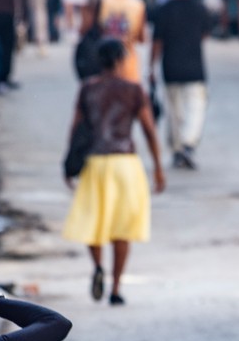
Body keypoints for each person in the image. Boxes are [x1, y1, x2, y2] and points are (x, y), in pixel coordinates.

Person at [62, 39, 167, 306]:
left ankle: (98, 266)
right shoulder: (133, 90)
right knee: (123, 228)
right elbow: (149, 130)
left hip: (95, 163)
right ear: (121, 59)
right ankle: (117, 287)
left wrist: (68, 165)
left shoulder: (88, 89)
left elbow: (75, 129)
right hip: (125, 164)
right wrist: (158, 167)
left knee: (92, 223)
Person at [149, 0, 211, 170]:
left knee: (174, 113)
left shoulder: (163, 11)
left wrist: (151, 68)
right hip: (194, 68)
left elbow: (156, 43)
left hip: (171, 68)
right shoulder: (199, 9)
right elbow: (205, 35)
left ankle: (178, 148)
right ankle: (187, 144)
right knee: (195, 109)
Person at [96, 0, 148, 84]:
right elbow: (142, 38)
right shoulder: (137, 4)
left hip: (106, 62)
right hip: (128, 59)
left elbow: (97, 28)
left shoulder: (104, 0)